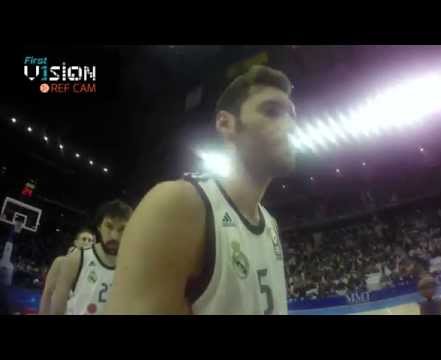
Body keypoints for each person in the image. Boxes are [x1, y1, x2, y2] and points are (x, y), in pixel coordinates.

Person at [106, 65, 297, 315]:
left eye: (292, 116)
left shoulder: (270, 224)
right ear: (226, 123)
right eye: (272, 111)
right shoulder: (176, 205)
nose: (290, 126)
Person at [49, 200, 132, 315]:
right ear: (99, 226)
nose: (114, 235)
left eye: (122, 229)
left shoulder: (133, 266)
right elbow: (57, 308)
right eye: (109, 226)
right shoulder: (77, 258)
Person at [38, 227, 95, 315]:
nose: (87, 242)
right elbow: (47, 292)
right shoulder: (61, 261)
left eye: (90, 240)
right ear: (76, 242)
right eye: (84, 239)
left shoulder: (93, 268)